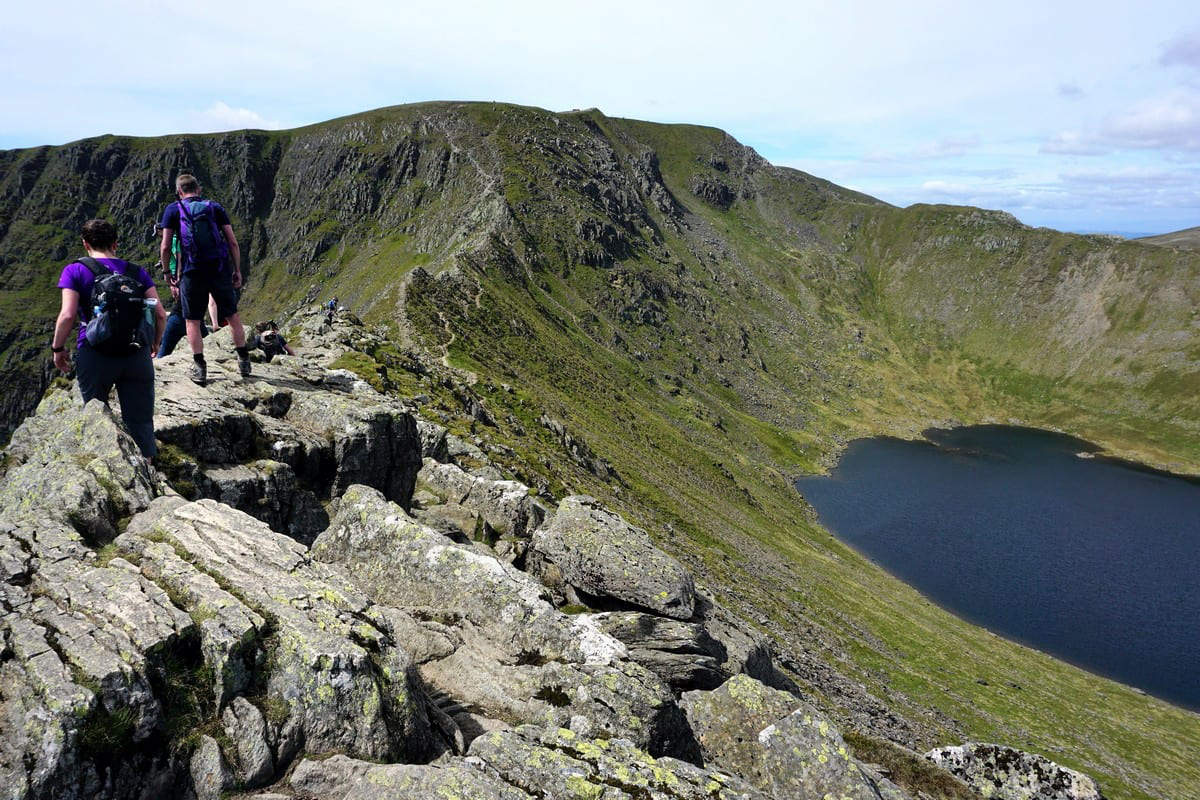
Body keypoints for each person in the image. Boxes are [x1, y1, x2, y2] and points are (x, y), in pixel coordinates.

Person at [51, 219, 166, 460]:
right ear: (115, 243)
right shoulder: (136, 271)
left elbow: (68, 315)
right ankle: (150, 476)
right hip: (136, 354)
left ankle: (105, 468)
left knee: (97, 417)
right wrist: (155, 343)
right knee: (141, 421)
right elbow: (160, 313)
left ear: (85, 244)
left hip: (95, 354)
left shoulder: (75, 270)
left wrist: (58, 348)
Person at [159, 173, 249, 385]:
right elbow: (232, 242)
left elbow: (165, 246)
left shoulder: (173, 209)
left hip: (191, 272)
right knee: (233, 316)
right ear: (198, 189)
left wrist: (167, 273)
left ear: (179, 192)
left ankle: (200, 367)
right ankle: (244, 360)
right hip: (218, 269)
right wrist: (237, 270)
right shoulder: (214, 207)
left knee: (192, 320)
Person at [153, 222, 208, 358]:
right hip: (190, 280)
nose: (159, 236)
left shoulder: (173, 240)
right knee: (191, 310)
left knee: (182, 309)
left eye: (159, 233)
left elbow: (179, 257)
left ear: (162, 230)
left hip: (180, 279)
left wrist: (176, 278)